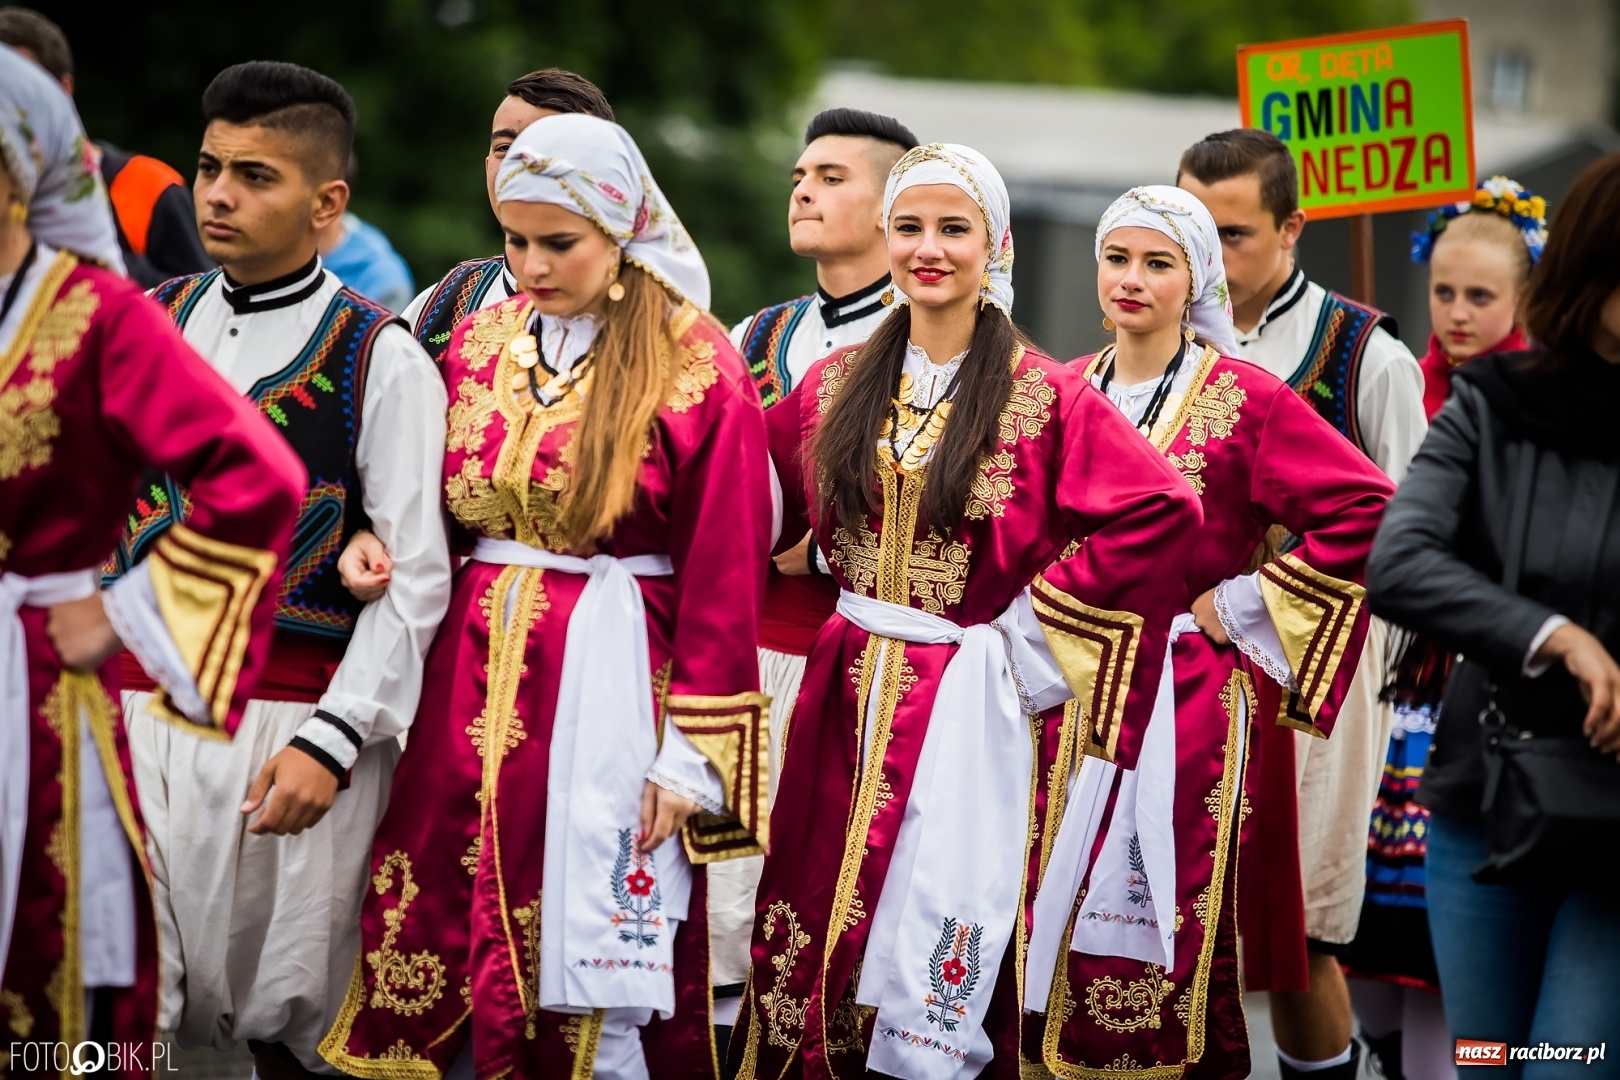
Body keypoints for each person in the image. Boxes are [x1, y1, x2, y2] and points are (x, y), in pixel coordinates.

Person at [735, 144, 1203, 1080]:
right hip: (846, 685)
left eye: (954, 230)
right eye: (909, 228)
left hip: (969, 698)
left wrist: (1030, 639)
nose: (929, 249)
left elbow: (1163, 510)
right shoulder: (835, 386)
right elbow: (736, 488)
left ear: (996, 245)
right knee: (814, 900)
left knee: (943, 919)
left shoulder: (1047, 395)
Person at [321, 113, 772, 1080]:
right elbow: (427, 502)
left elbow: (723, 575)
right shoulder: (479, 340)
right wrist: (377, 543)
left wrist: (691, 761)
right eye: (516, 240)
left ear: (621, 232)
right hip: (469, 684)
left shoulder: (697, 369)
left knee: (593, 938)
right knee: (438, 905)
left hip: (614, 686)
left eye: (558, 243)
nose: (528, 264)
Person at [103, 61, 452, 1079]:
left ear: (326, 203)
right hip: (125, 723)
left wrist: (333, 744)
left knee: (276, 1029)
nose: (216, 194)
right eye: (210, 168)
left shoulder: (376, 357)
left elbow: (416, 578)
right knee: (103, 1023)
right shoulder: (145, 325)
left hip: (286, 738)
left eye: (255, 175)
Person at [1021, 186, 1392, 1079]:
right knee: (1041, 907)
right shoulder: (1059, 391)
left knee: (1173, 925)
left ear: (1197, 282)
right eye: (1118, 259)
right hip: (1061, 696)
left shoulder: (1246, 400)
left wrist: (1240, 605)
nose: (1133, 280)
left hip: (1187, 711)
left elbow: (1368, 510)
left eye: (1159, 263)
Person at [0, 43, 301, 1061]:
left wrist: (120, 611)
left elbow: (257, 474)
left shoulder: (98, 317)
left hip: (32, 685)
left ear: (17, 167)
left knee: (48, 954)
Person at [1177, 128, 1426, 1080]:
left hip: (1318, 677)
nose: (1209, 252)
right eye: (1192, 224)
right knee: (1177, 916)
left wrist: (1374, 687)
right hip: (1185, 668)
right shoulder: (1152, 343)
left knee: (1300, 936)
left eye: (1232, 233)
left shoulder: (1364, 354)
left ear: (1293, 231)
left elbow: (1406, 543)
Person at [1365, 151, 1620, 1077]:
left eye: (1482, 293)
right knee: (1485, 1057)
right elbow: (1400, 561)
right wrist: (1556, 637)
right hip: (1486, 793)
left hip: (1612, 819)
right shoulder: (1494, 405)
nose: (1459, 312)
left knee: (1568, 1061)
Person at [710, 105, 917, 1055]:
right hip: (726, 664)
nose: (804, 188)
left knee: (821, 920)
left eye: (834, 176)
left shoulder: (932, 340)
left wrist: (826, 548)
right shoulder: (757, 332)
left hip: (852, 669)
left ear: (895, 207)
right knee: (706, 914)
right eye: (801, 173)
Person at [1342, 175, 1548, 1080]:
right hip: (1389, 692)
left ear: (1527, 299)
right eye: (1444, 293)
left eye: (1482, 296)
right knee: (1369, 944)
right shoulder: (1399, 381)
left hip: (1485, 705)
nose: (1458, 314)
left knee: (1441, 964)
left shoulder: (1543, 405)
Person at [399, 68, 615, 361]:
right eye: (505, 148)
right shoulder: (440, 304)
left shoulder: (651, 315)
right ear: (488, 165)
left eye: (548, 150)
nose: (519, 166)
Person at [0, 5, 214, 288]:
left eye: (21, 92)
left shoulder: (147, 185)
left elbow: (199, 301)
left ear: (62, 92)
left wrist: (89, 260)